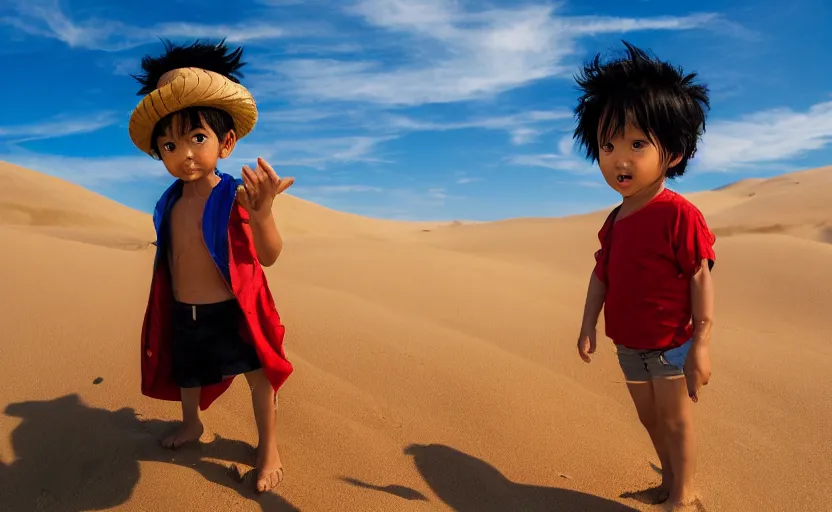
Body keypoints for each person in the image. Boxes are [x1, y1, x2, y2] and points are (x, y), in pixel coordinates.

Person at [130, 39, 295, 493]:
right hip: (185, 310)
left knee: (258, 379)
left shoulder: (233, 196)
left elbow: (269, 256)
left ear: (226, 143)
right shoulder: (167, 202)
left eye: (196, 138)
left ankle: (269, 446)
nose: (182, 153)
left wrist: (262, 214)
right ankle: (192, 425)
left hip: (231, 311)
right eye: (168, 144)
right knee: (188, 375)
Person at [572, 41, 716, 510]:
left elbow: (699, 278)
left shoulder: (679, 214)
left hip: (672, 343)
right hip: (628, 342)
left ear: (672, 153)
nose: (620, 160)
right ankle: (670, 483)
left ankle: (684, 494)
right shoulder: (614, 220)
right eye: (608, 145)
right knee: (651, 420)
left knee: (676, 421)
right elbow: (602, 276)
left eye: (638, 144)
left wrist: (703, 345)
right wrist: (588, 323)